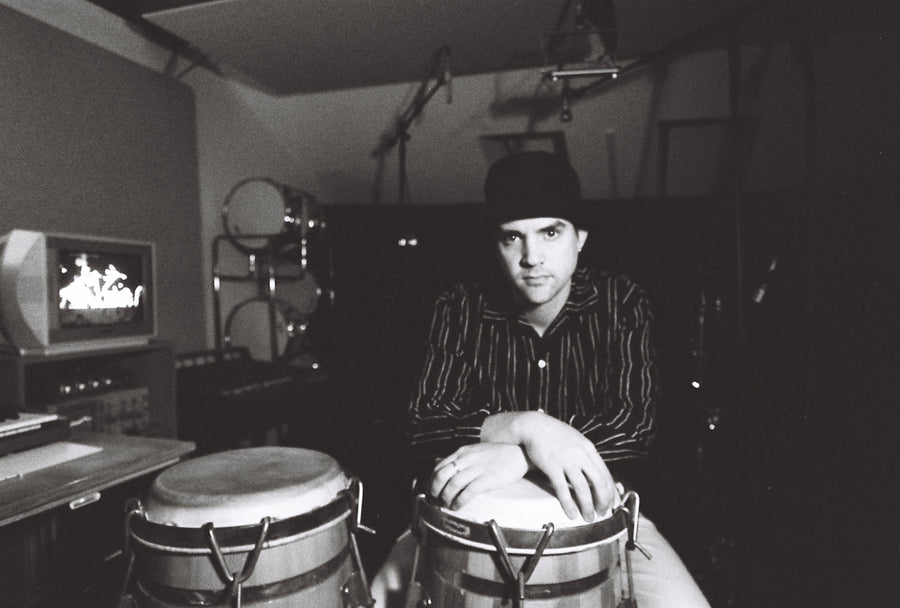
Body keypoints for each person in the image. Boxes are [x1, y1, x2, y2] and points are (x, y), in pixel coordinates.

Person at [371, 151, 709, 608]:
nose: (532, 257)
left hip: (598, 515)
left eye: (550, 232)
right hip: (464, 517)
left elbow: (634, 426)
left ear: (579, 238)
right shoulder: (460, 306)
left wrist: (520, 458)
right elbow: (421, 421)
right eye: (514, 238)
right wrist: (526, 427)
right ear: (497, 245)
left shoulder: (620, 301)